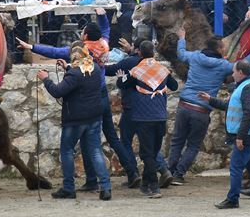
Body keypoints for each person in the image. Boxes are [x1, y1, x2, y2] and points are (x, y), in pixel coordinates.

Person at [195, 60, 250, 209]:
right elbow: (229, 105)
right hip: (248, 134)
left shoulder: (249, 87)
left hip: (246, 135)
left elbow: (249, 113)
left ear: (241, 73)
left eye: (233, 71)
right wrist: (210, 99)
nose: (232, 74)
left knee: (236, 167)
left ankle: (233, 199)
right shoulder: (245, 85)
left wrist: (240, 137)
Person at [38, 43, 112, 201]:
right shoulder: (94, 68)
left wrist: (46, 80)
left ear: (72, 56)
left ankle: (69, 187)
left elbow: (57, 91)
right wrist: (68, 68)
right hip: (93, 117)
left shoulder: (74, 74)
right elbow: (80, 77)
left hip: (75, 120)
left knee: (66, 151)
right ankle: (105, 187)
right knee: (95, 151)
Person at [166, 30, 235, 184]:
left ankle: (169, 172)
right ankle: (179, 174)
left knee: (177, 141)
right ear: (218, 50)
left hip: (183, 105)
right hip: (201, 110)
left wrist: (182, 38)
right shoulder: (223, 65)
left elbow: (181, 54)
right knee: (193, 144)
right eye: (223, 47)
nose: (224, 49)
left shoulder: (196, 56)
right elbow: (239, 67)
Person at [116, 40, 179, 198]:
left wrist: (121, 77)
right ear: (154, 52)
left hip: (143, 117)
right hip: (160, 116)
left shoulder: (136, 72)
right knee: (153, 151)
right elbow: (174, 86)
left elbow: (122, 84)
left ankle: (154, 187)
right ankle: (145, 184)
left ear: (139, 53)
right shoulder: (162, 70)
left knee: (147, 154)